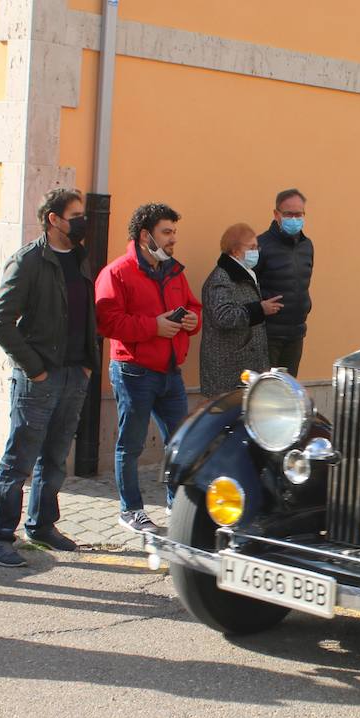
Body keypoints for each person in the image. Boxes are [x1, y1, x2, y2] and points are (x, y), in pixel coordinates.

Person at [0, 188, 99, 568]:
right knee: (20, 458)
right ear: (53, 219)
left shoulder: (81, 259)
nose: (82, 221)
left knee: (54, 457)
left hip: (74, 374)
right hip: (39, 379)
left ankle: (42, 524)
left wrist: (85, 364)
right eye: (75, 215)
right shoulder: (28, 262)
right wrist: (35, 367)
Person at [95, 202, 202, 534]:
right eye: (166, 232)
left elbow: (193, 306)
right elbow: (108, 321)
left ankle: (177, 505)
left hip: (171, 372)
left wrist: (193, 320)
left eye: (174, 233)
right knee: (131, 445)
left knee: (181, 443)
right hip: (134, 373)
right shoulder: (117, 272)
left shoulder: (174, 272)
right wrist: (152, 327)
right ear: (145, 236)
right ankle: (131, 511)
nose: (172, 240)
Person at [199, 223, 283, 399]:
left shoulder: (244, 273)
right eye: (251, 247)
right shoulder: (221, 279)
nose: (256, 251)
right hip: (228, 370)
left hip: (245, 368)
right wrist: (260, 309)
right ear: (236, 251)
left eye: (256, 246)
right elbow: (223, 316)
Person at [254, 188, 313, 374]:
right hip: (269, 336)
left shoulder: (307, 246)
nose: (294, 219)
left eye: (299, 214)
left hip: (296, 333)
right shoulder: (260, 245)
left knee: (289, 390)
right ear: (276, 214)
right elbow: (247, 286)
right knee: (268, 390)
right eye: (289, 214)